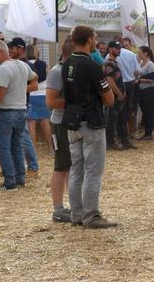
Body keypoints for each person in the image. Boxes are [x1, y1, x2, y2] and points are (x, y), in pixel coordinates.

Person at [62, 26, 117, 228]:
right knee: (93, 170)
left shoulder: (67, 63)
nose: (96, 41)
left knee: (76, 169)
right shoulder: (92, 65)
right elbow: (109, 98)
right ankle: (91, 215)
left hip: (72, 122)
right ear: (89, 39)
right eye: (94, 37)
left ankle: (77, 214)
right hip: (91, 122)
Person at [0, 40, 38, 191]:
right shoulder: (22, 65)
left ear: (0, 51)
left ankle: (10, 183)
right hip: (21, 111)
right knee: (17, 146)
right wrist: (19, 90)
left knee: (4, 148)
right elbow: (35, 78)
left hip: (5, 113)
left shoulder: (3, 69)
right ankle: (20, 178)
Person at [45, 38, 74, 221]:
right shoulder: (57, 72)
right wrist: (78, 101)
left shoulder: (70, 71)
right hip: (60, 123)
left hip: (70, 123)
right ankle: (58, 209)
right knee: (61, 166)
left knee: (72, 167)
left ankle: (72, 206)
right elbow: (51, 102)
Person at [104, 41, 135, 151]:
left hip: (119, 95)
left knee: (121, 118)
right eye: (116, 48)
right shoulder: (109, 63)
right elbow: (110, 81)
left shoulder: (115, 62)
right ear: (110, 49)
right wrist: (119, 93)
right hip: (114, 96)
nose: (118, 50)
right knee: (112, 119)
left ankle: (124, 140)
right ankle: (110, 142)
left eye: (119, 48)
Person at [26, 45, 54, 156]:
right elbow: (48, 76)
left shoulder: (26, 64)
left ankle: (33, 151)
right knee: (46, 123)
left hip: (31, 95)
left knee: (31, 124)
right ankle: (51, 149)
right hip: (43, 95)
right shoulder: (43, 64)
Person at [114, 37, 140, 137]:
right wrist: (135, 80)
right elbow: (137, 71)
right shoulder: (131, 54)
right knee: (127, 110)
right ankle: (126, 133)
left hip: (117, 85)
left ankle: (118, 133)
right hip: (129, 84)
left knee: (117, 110)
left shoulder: (110, 55)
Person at [135, 46, 154, 140]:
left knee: (148, 111)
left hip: (148, 90)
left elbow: (152, 79)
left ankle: (149, 133)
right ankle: (147, 132)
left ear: (146, 53)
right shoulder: (141, 63)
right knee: (145, 111)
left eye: (140, 53)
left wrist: (139, 80)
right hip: (142, 90)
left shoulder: (150, 64)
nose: (138, 54)